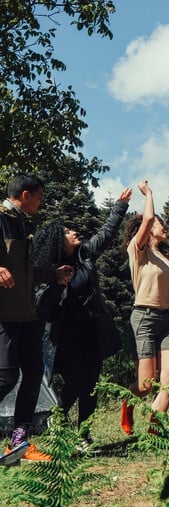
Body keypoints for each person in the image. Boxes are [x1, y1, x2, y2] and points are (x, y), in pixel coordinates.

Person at [32, 189, 132, 442]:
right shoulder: (47, 271)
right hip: (65, 337)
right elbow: (41, 304)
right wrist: (58, 284)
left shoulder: (85, 255)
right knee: (76, 383)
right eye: (67, 232)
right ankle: (56, 422)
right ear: (57, 241)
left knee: (91, 387)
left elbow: (106, 234)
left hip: (92, 331)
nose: (74, 232)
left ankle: (84, 436)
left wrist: (120, 206)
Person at [0, 174, 73, 465]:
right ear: (26, 194)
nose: (41, 203)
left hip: (26, 315)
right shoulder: (1, 220)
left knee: (33, 373)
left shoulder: (23, 225)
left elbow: (26, 271)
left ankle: (19, 442)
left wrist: (52, 274)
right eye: (40, 197)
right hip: (4, 316)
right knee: (5, 377)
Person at [121, 181, 169, 435]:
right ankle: (127, 403)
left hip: (168, 320)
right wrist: (149, 193)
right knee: (146, 384)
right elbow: (148, 217)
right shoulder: (138, 251)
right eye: (161, 224)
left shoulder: (165, 259)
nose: (165, 227)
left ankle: (154, 427)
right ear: (148, 230)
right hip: (145, 319)